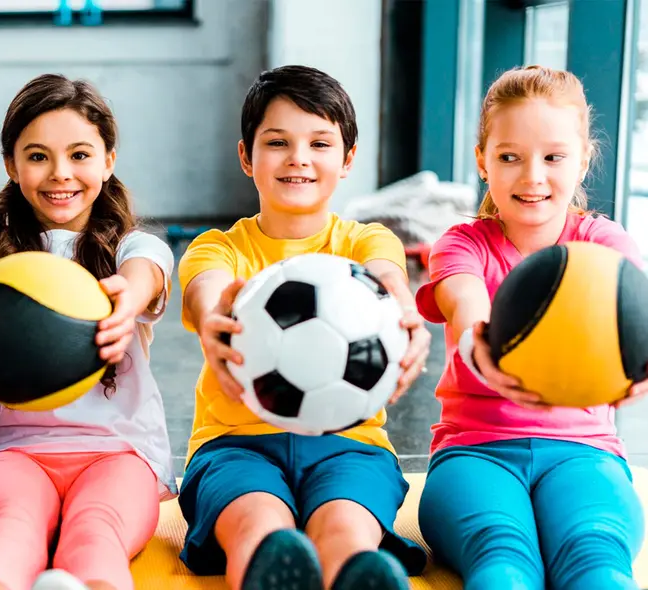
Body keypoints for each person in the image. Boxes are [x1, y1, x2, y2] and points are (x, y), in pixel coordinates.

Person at [177, 65, 431, 590]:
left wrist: (405, 312)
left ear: (347, 159)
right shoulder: (218, 247)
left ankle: (357, 574)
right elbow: (206, 287)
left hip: (351, 443)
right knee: (258, 524)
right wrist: (215, 315)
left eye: (320, 142)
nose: (299, 158)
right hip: (235, 444)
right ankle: (270, 571)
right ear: (246, 156)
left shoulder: (367, 241)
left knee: (345, 527)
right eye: (278, 142)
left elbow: (388, 277)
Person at [415, 65, 648, 590]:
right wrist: (483, 344)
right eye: (509, 157)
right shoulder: (461, 242)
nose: (532, 176)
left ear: (584, 158)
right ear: (482, 160)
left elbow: (636, 318)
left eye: (553, 157)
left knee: (596, 562)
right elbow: (464, 299)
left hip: (585, 454)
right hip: (475, 452)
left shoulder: (606, 245)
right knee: (503, 561)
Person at [0, 73, 176, 590]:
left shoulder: (129, 249)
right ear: (12, 164)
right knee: (8, 533)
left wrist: (128, 299)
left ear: (109, 159)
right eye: (38, 155)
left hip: (119, 455)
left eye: (79, 154)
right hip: (15, 453)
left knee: (95, 533)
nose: (60, 174)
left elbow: (152, 265)